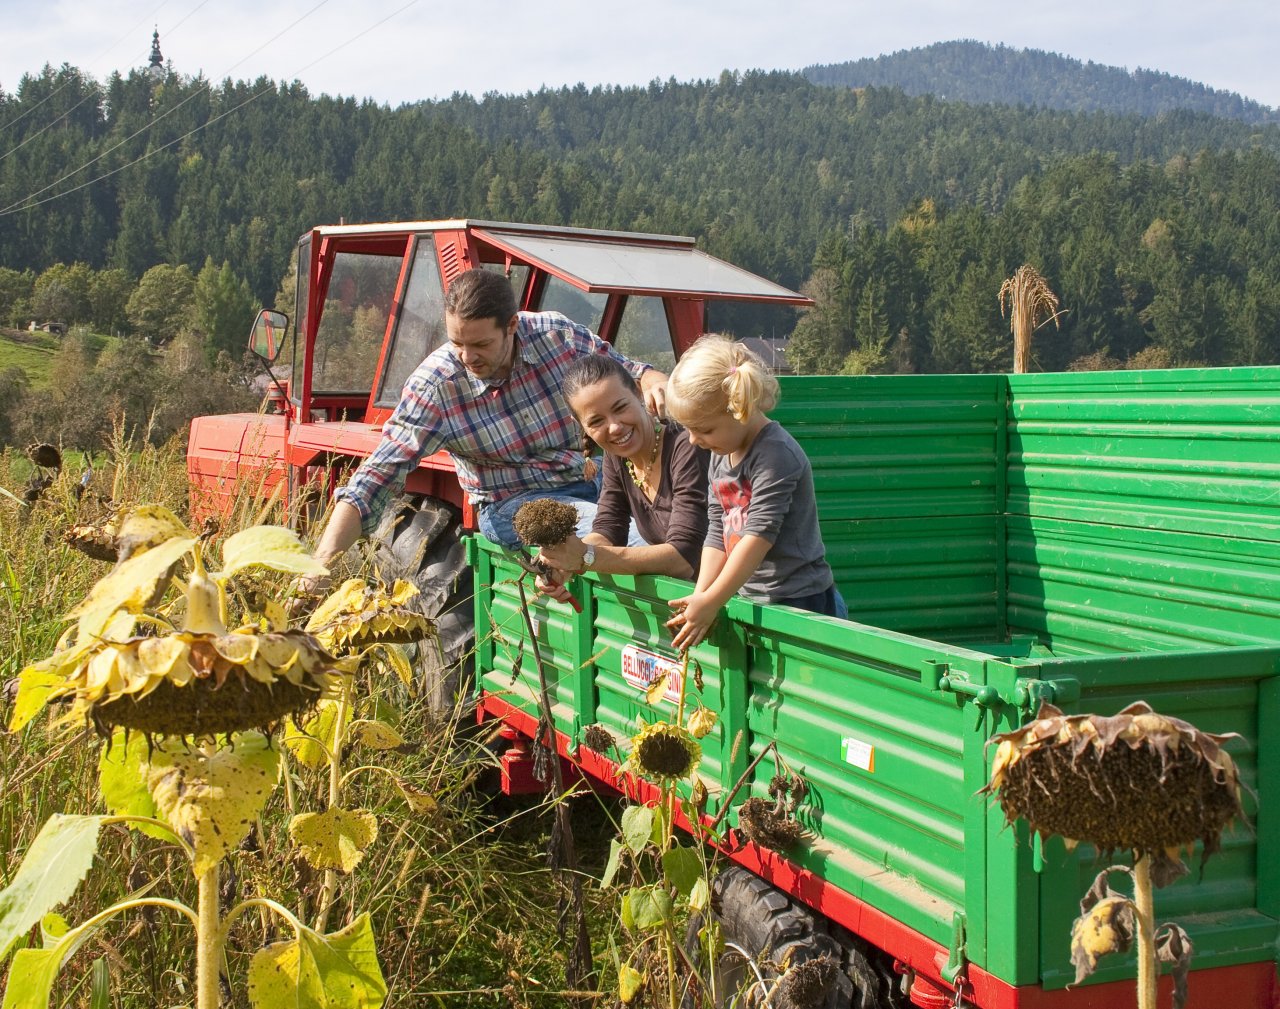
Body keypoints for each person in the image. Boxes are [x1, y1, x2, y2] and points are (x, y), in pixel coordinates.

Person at [303, 268, 668, 584]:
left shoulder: (557, 337)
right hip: (516, 504)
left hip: (596, 480)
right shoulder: (437, 387)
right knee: (644, 541)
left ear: (512, 325)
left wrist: (655, 384)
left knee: (690, 520)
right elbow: (377, 477)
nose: (467, 357)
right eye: (456, 342)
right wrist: (320, 566)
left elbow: (631, 372)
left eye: (480, 344)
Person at [663, 335, 846, 650]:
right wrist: (702, 594)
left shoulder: (776, 455)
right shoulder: (721, 452)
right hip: (751, 596)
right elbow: (718, 526)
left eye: (704, 430)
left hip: (800, 601)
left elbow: (759, 535)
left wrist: (714, 599)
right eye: (688, 429)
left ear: (740, 410)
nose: (693, 441)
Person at [535, 355, 710, 595]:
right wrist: (564, 562)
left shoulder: (687, 445)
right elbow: (609, 529)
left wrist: (585, 557)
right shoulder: (616, 456)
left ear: (638, 394)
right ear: (580, 425)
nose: (615, 427)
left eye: (620, 408)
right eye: (597, 421)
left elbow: (682, 559)